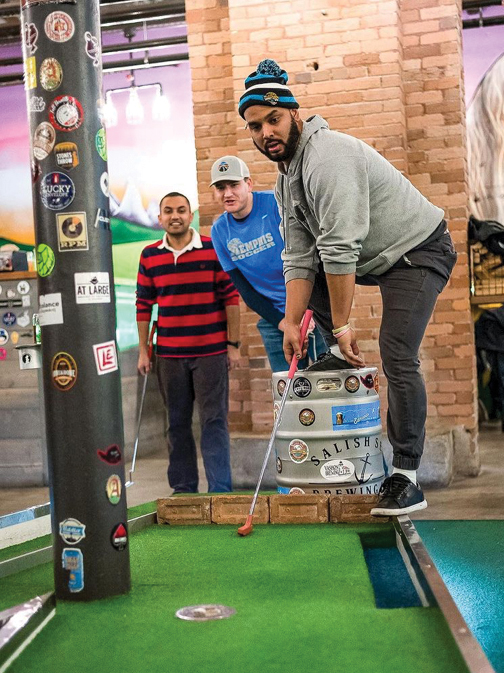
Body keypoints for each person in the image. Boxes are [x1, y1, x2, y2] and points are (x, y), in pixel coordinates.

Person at [239, 60, 458, 516]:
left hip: (419, 250)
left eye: (273, 120)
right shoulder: (287, 178)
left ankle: (407, 476)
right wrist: (292, 321)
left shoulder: (328, 158)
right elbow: (299, 256)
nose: (265, 134)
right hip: (375, 258)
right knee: (312, 271)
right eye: (255, 127)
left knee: (397, 351)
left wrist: (341, 326)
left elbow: (339, 249)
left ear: (295, 114)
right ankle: (334, 350)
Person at [136, 191, 240, 494]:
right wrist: (144, 351)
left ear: (190, 215)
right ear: (160, 218)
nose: (175, 216)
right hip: (168, 356)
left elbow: (231, 298)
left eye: (181, 210)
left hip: (211, 353)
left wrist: (233, 345)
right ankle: (183, 491)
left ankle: (221, 490)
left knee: (214, 422)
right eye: (168, 211)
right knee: (177, 424)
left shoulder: (211, 248)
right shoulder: (150, 255)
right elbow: (143, 304)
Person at [209, 155, 327, 372]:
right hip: (275, 319)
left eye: (234, 185)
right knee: (289, 390)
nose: (227, 193)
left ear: (248, 183)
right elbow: (245, 289)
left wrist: (310, 309)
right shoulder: (218, 232)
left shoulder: (276, 203)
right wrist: (283, 322)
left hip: (314, 312)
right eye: (220, 187)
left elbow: (313, 256)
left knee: (330, 382)